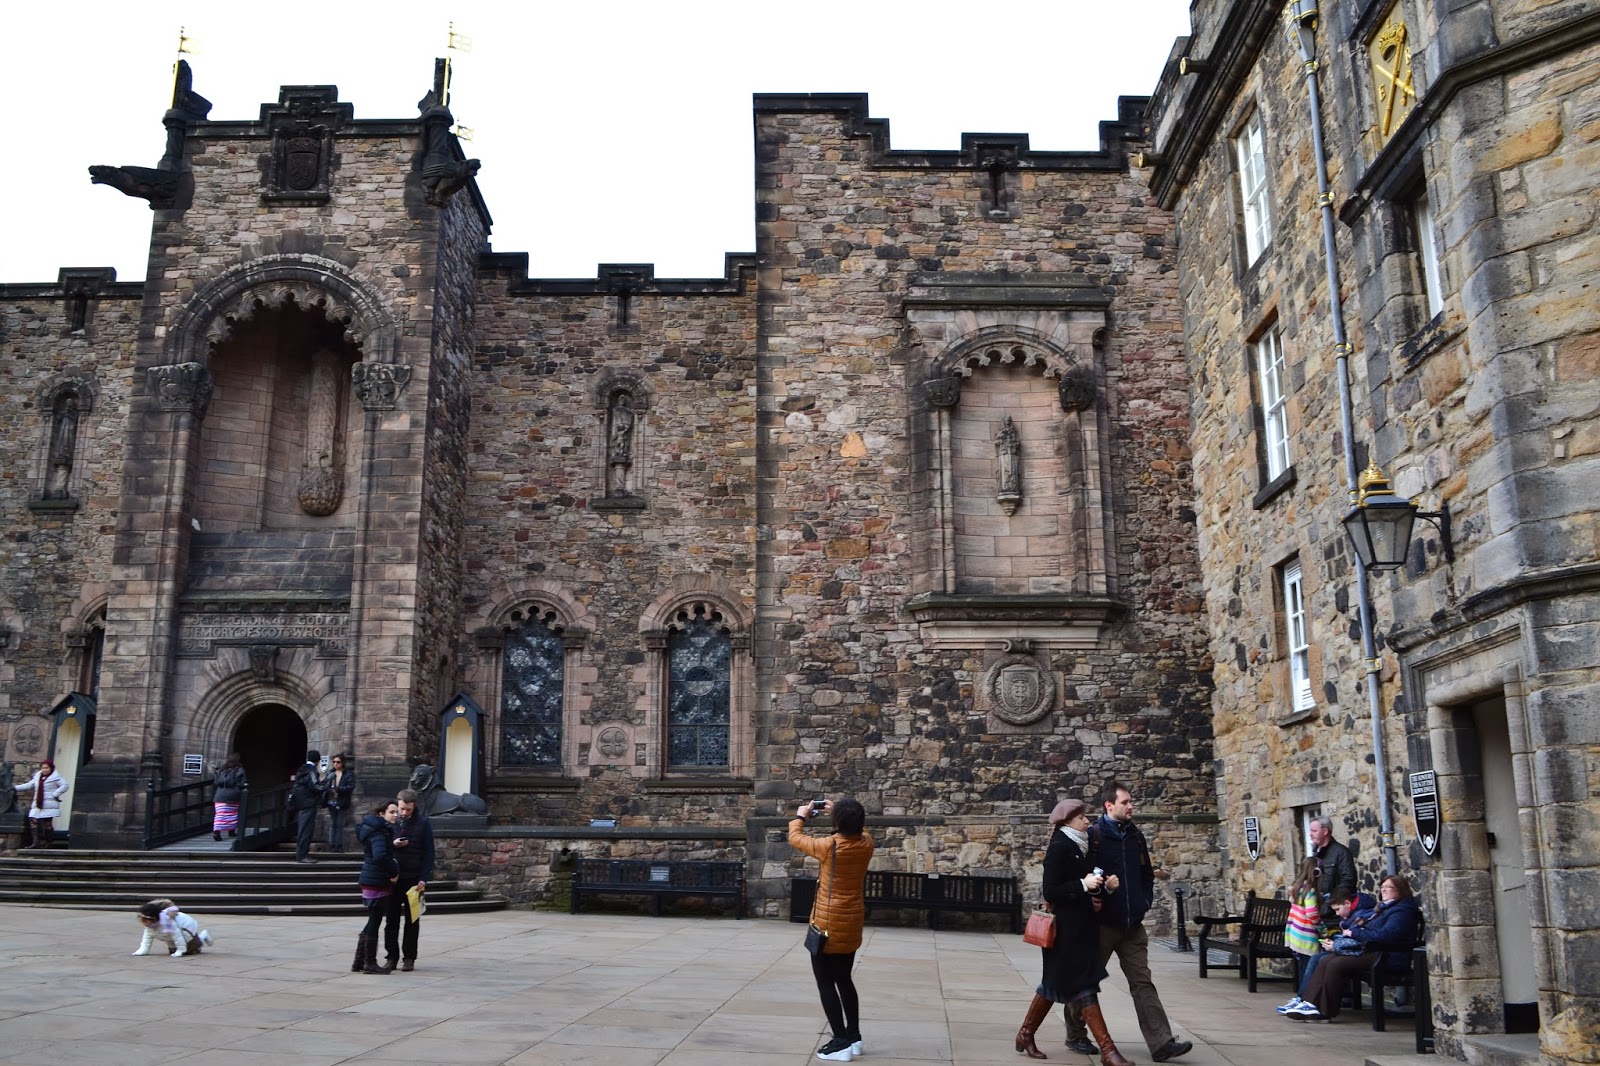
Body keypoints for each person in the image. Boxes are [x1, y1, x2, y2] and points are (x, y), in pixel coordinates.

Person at [1065, 781, 1193, 1062]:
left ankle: (1161, 1042)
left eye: (1130, 801)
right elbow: (1080, 877)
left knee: (1142, 982)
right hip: (1101, 925)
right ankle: (1075, 1034)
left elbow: (1146, 873)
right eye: (1125, 802)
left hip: (1132, 925)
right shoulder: (1094, 836)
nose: (1131, 806)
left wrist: (1143, 902)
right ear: (1109, 805)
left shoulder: (1135, 836)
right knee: (1085, 981)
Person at [1015, 797, 1134, 1065]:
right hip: (1064, 933)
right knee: (1081, 988)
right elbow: (1051, 891)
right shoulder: (1059, 846)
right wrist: (1082, 884)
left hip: (1082, 930)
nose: (1087, 821)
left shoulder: (1082, 845)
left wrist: (1105, 887)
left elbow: (1089, 887)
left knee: (1055, 987)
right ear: (1068, 821)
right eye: (1082, 817)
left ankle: (1025, 1034)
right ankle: (1108, 1052)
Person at [789, 795, 874, 1062]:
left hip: (827, 924)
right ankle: (854, 1036)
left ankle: (840, 1042)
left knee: (825, 982)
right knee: (844, 979)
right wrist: (840, 812)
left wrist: (801, 816)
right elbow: (858, 828)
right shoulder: (867, 843)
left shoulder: (829, 846)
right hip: (851, 922)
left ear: (838, 823)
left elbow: (796, 838)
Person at [1288, 874, 1422, 1022]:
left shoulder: (1402, 911)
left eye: (1389, 887)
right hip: (1373, 950)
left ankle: (1324, 1011)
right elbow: (1372, 929)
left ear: (1400, 889)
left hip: (1387, 955)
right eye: (1382, 886)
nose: (1384, 890)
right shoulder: (1384, 907)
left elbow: (1387, 935)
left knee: (1336, 963)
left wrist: (1356, 933)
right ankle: (1310, 1003)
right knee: (1326, 960)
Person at [1276, 888, 1377, 1015]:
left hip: (1362, 952)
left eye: (1338, 909)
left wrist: (1335, 945)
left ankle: (1317, 1005)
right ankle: (1307, 1000)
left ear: (1347, 903)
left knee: (1327, 961)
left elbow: (1359, 938)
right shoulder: (1353, 912)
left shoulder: (1362, 914)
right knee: (1318, 958)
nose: (1337, 914)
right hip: (1351, 949)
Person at [385, 787, 435, 972]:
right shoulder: (391, 821)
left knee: (413, 921)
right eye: (401, 809)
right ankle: (391, 957)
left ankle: (409, 958)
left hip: (414, 879)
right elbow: (380, 847)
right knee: (391, 920)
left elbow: (429, 852)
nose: (404, 812)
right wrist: (393, 844)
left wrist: (424, 877)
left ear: (414, 806)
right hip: (393, 878)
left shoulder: (423, 823)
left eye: (408, 809)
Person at [354, 801, 400, 975]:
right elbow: (380, 855)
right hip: (376, 879)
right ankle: (369, 963)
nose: (395, 815)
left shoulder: (375, 829)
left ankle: (359, 961)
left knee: (373, 919)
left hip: (372, 878)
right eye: (391, 812)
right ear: (381, 813)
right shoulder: (379, 832)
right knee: (375, 920)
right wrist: (393, 870)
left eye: (396, 812)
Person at [1309, 816, 1357, 923]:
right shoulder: (1316, 853)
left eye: (1314, 831)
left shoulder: (1341, 852)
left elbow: (1348, 883)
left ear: (1325, 831)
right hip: (1317, 912)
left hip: (1334, 915)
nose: (1310, 834)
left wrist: (1328, 904)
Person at [13, 759, 69, 849]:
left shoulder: (55, 777)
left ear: (51, 768)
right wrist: (15, 788)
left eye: (46, 768)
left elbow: (65, 785)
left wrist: (55, 794)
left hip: (49, 804)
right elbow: (29, 785)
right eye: (43, 768)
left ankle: (48, 843)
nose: (44, 770)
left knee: (47, 823)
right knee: (33, 820)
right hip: (38, 803)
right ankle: (35, 843)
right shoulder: (38, 776)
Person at [132, 898, 213, 958]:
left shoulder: (168, 922)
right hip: (169, 936)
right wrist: (143, 950)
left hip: (186, 929)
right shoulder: (151, 926)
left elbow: (178, 936)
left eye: (146, 921)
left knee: (190, 950)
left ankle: (203, 936)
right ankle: (181, 948)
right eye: (142, 921)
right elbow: (147, 938)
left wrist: (181, 950)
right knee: (173, 951)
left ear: (154, 919)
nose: (144, 924)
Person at [288, 750, 323, 863]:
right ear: (317, 760)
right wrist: (327, 782)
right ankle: (302, 855)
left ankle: (301, 854)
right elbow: (316, 786)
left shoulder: (302, 769)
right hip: (308, 803)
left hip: (301, 803)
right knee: (306, 830)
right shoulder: (311, 770)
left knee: (303, 829)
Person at [322, 753, 357, 851]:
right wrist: (329, 790)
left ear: (343, 763)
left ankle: (339, 845)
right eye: (334, 762)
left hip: (342, 801)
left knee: (340, 824)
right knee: (333, 823)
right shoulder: (330, 773)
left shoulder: (348, 774)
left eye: (338, 762)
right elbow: (324, 784)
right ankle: (332, 845)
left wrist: (339, 789)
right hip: (331, 800)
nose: (335, 764)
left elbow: (351, 786)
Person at [211, 753, 247, 842]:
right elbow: (243, 783)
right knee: (232, 814)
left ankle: (216, 832)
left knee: (220, 815)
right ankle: (231, 831)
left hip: (220, 795)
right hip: (233, 795)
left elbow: (216, 782)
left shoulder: (221, 769)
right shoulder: (240, 770)